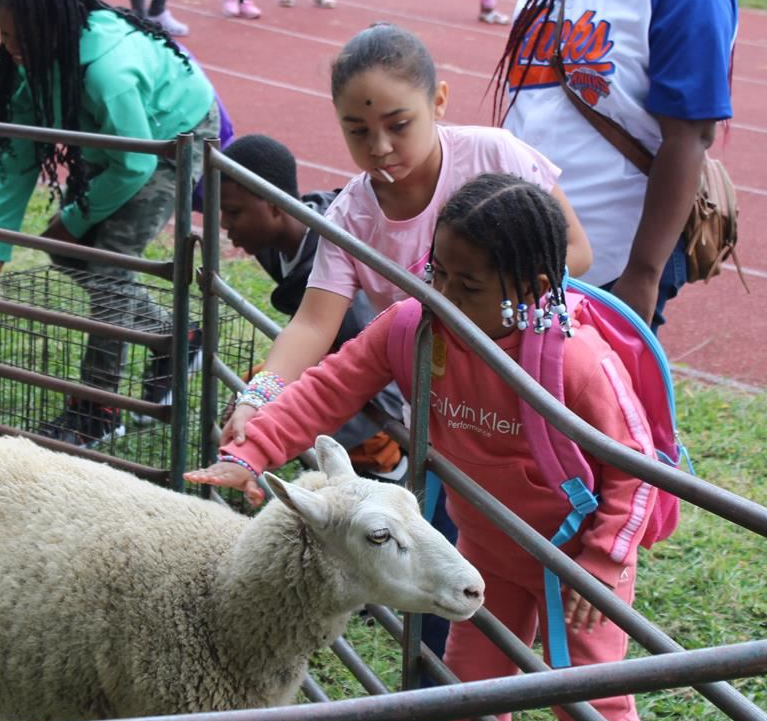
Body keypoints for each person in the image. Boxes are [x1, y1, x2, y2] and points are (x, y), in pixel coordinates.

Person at [189, 173, 656, 721]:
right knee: (469, 693)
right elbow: (332, 385)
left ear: (534, 291)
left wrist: (604, 560)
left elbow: (637, 467)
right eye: (437, 272)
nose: (442, 294)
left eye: (468, 286)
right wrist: (252, 451)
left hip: (572, 568)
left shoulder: (576, 362)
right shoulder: (417, 327)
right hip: (486, 551)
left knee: (589, 708)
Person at [221, 22, 591, 449]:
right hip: (440, 407)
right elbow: (311, 324)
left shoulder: (495, 155)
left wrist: (494, 309)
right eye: (358, 131)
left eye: (398, 125)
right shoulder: (350, 218)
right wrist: (257, 397)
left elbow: (576, 251)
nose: (379, 147)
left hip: (530, 383)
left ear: (438, 101)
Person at [0, 0, 220, 448]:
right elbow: (17, 157)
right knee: (66, 250)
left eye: (23, 39)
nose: (13, 50)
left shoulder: (107, 73)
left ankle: (98, 410)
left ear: (54, 28)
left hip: (173, 139)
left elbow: (135, 165)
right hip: (115, 141)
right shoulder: (31, 67)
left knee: (108, 267)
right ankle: (178, 337)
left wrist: (75, 216)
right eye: (5, 36)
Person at [494, 0, 737, 330]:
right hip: (527, 250)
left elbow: (688, 137)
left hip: (612, 267)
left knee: (585, 404)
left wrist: (642, 276)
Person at [218, 133, 406, 481]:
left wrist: (304, 434)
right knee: (245, 394)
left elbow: (389, 386)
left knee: (287, 420)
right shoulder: (271, 245)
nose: (225, 226)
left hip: (380, 391)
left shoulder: (346, 289)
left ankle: (388, 465)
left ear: (274, 205)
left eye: (234, 212)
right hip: (334, 359)